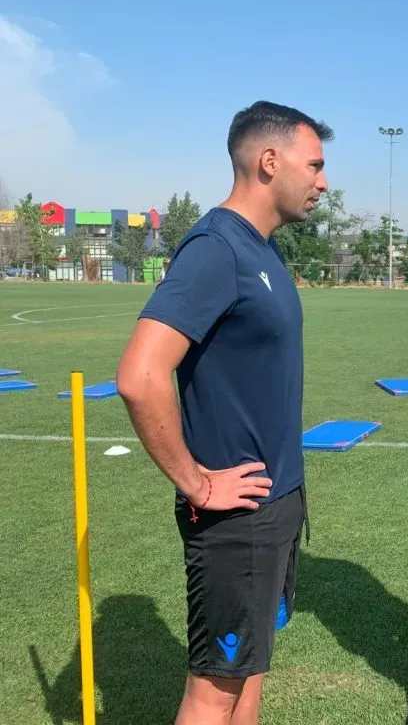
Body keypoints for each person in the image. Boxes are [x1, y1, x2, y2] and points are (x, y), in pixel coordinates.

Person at [116, 100, 332, 725]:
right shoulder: (217, 247)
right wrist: (196, 480)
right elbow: (140, 374)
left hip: (277, 502)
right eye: (314, 165)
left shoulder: (263, 248)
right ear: (270, 161)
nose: (323, 181)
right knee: (214, 693)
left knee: (250, 673)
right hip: (236, 516)